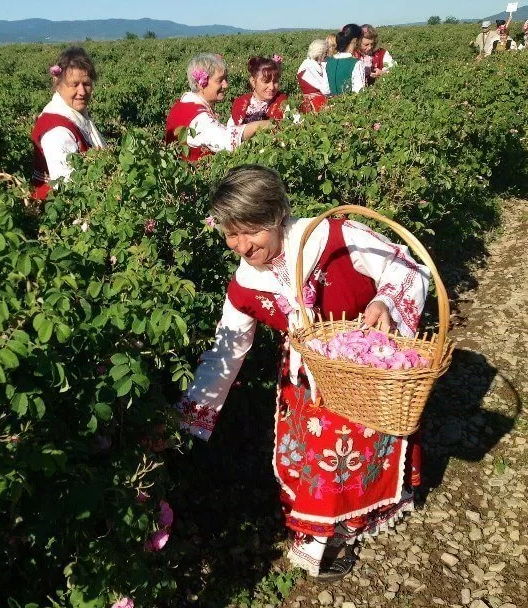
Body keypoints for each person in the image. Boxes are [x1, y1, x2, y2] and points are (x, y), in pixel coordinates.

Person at [177, 165, 429, 581]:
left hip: (367, 367)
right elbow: (228, 350)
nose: (241, 245)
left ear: (277, 215)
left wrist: (385, 302)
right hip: (308, 380)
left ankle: (356, 519)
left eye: (250, 231)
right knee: (319, 456)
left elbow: (406, 265)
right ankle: (319, 537)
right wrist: (189, 416)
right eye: (230, 234)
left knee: (368, 442)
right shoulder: (244, 285)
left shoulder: (334, 237)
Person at [30, 46, 106, 200]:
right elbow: (68, 189)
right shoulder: (57, 132)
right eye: (74, 84)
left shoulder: (77, 116)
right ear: (58, 83)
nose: (82, 91)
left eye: (86, 84)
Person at [165, 53, 266, 162]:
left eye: (226, 78)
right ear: (200, 84)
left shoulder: (184, 103)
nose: (226, 85)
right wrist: (263, 125)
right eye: (220, 80)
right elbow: (225, 140)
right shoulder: (199, 118)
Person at [228, 56, 290, 127]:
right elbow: (232, 132)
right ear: (253, 81)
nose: (271, 87)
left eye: (275, 81)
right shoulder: (241, 104)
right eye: (266, 81)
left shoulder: (282, 102)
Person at [326, 24, 366, 95]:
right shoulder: (356, 63)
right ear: (355, 40)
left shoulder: (328, 62)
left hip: (333, 103)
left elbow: (325, 89)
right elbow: (360, 91)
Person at [297, 40, 331, 113]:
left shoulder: (313, 66)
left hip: (318, 103)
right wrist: (325, 68)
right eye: (325, 52)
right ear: (319, 53)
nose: (326, 55)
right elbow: (325, 90)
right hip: (313, 106)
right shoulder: (307, 69)